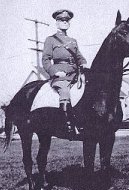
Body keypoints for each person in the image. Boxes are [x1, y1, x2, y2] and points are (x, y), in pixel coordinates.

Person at [42, 9, 87, 137]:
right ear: (57, 23)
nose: (65, 22)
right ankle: (67, 125)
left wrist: (83, 62)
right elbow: (45, 59)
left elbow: (79, 57)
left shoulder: (73, 41)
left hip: (75, 73)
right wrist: (55, 72)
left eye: (67, 20)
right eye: (62, 20)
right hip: (60, 75)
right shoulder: (50, 40)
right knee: (65, 92)